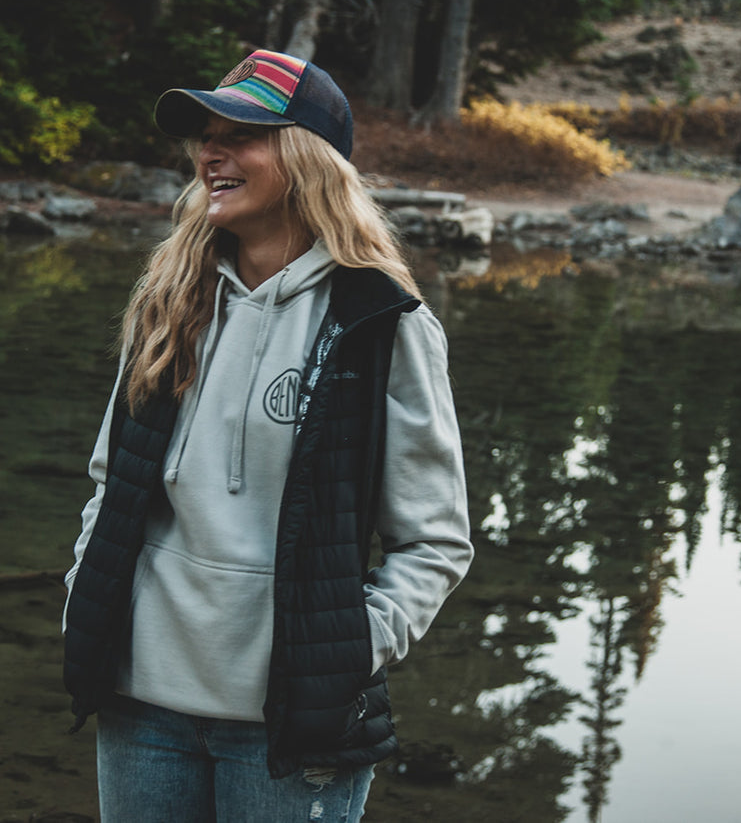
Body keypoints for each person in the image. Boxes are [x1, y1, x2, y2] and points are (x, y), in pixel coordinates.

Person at [62, 48, 473, 823]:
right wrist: (82, 597)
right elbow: (107, 482)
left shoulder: (382, 325)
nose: (209, 153)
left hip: (289, 727)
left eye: (239, 134)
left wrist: (348, 648)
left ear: (306, 159)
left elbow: (434, 543)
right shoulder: (167, 303)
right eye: (204, 135)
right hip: (139, 707)